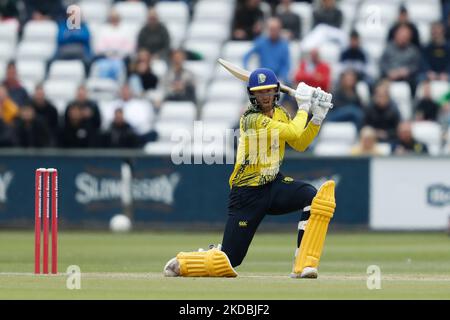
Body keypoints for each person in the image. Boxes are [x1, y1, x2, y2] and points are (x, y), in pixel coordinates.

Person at [163, 68, 336, 279]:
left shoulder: (281, 113)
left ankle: (304, 264)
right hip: (247, 193)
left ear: (275, 92)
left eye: (268, 91)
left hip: (273, 184)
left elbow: (299, 143)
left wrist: (316, 118)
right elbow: (292, 131)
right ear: (252, 94)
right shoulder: (251, 119)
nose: (264, 96)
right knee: (230, 260)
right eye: (259, 92)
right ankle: (187, 262)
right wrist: (305, 107)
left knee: (313, 196)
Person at [243, 17, 291, 84]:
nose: (274, 32)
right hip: (262, 78)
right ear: (267, 29)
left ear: (279, 30)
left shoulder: (284, 45)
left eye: (276, 29)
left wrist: (283, 78)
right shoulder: (261, 42)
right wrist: (247, 71)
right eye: (271, 29)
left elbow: (286, 65)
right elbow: (247, 56)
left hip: (279, 79)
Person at [380, 25, 421, 95]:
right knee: (380, 85)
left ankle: (413, 104)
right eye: (401, 36)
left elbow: (416, 65)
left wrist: (407, 71)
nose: (403, 38)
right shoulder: (388, 48)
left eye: (405, 36)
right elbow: (382, 63)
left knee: (416, 83)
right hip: (390, 75)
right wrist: (389, 72)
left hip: (406, 77)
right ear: (396, 35)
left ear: (409, 37)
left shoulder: (413, 50)